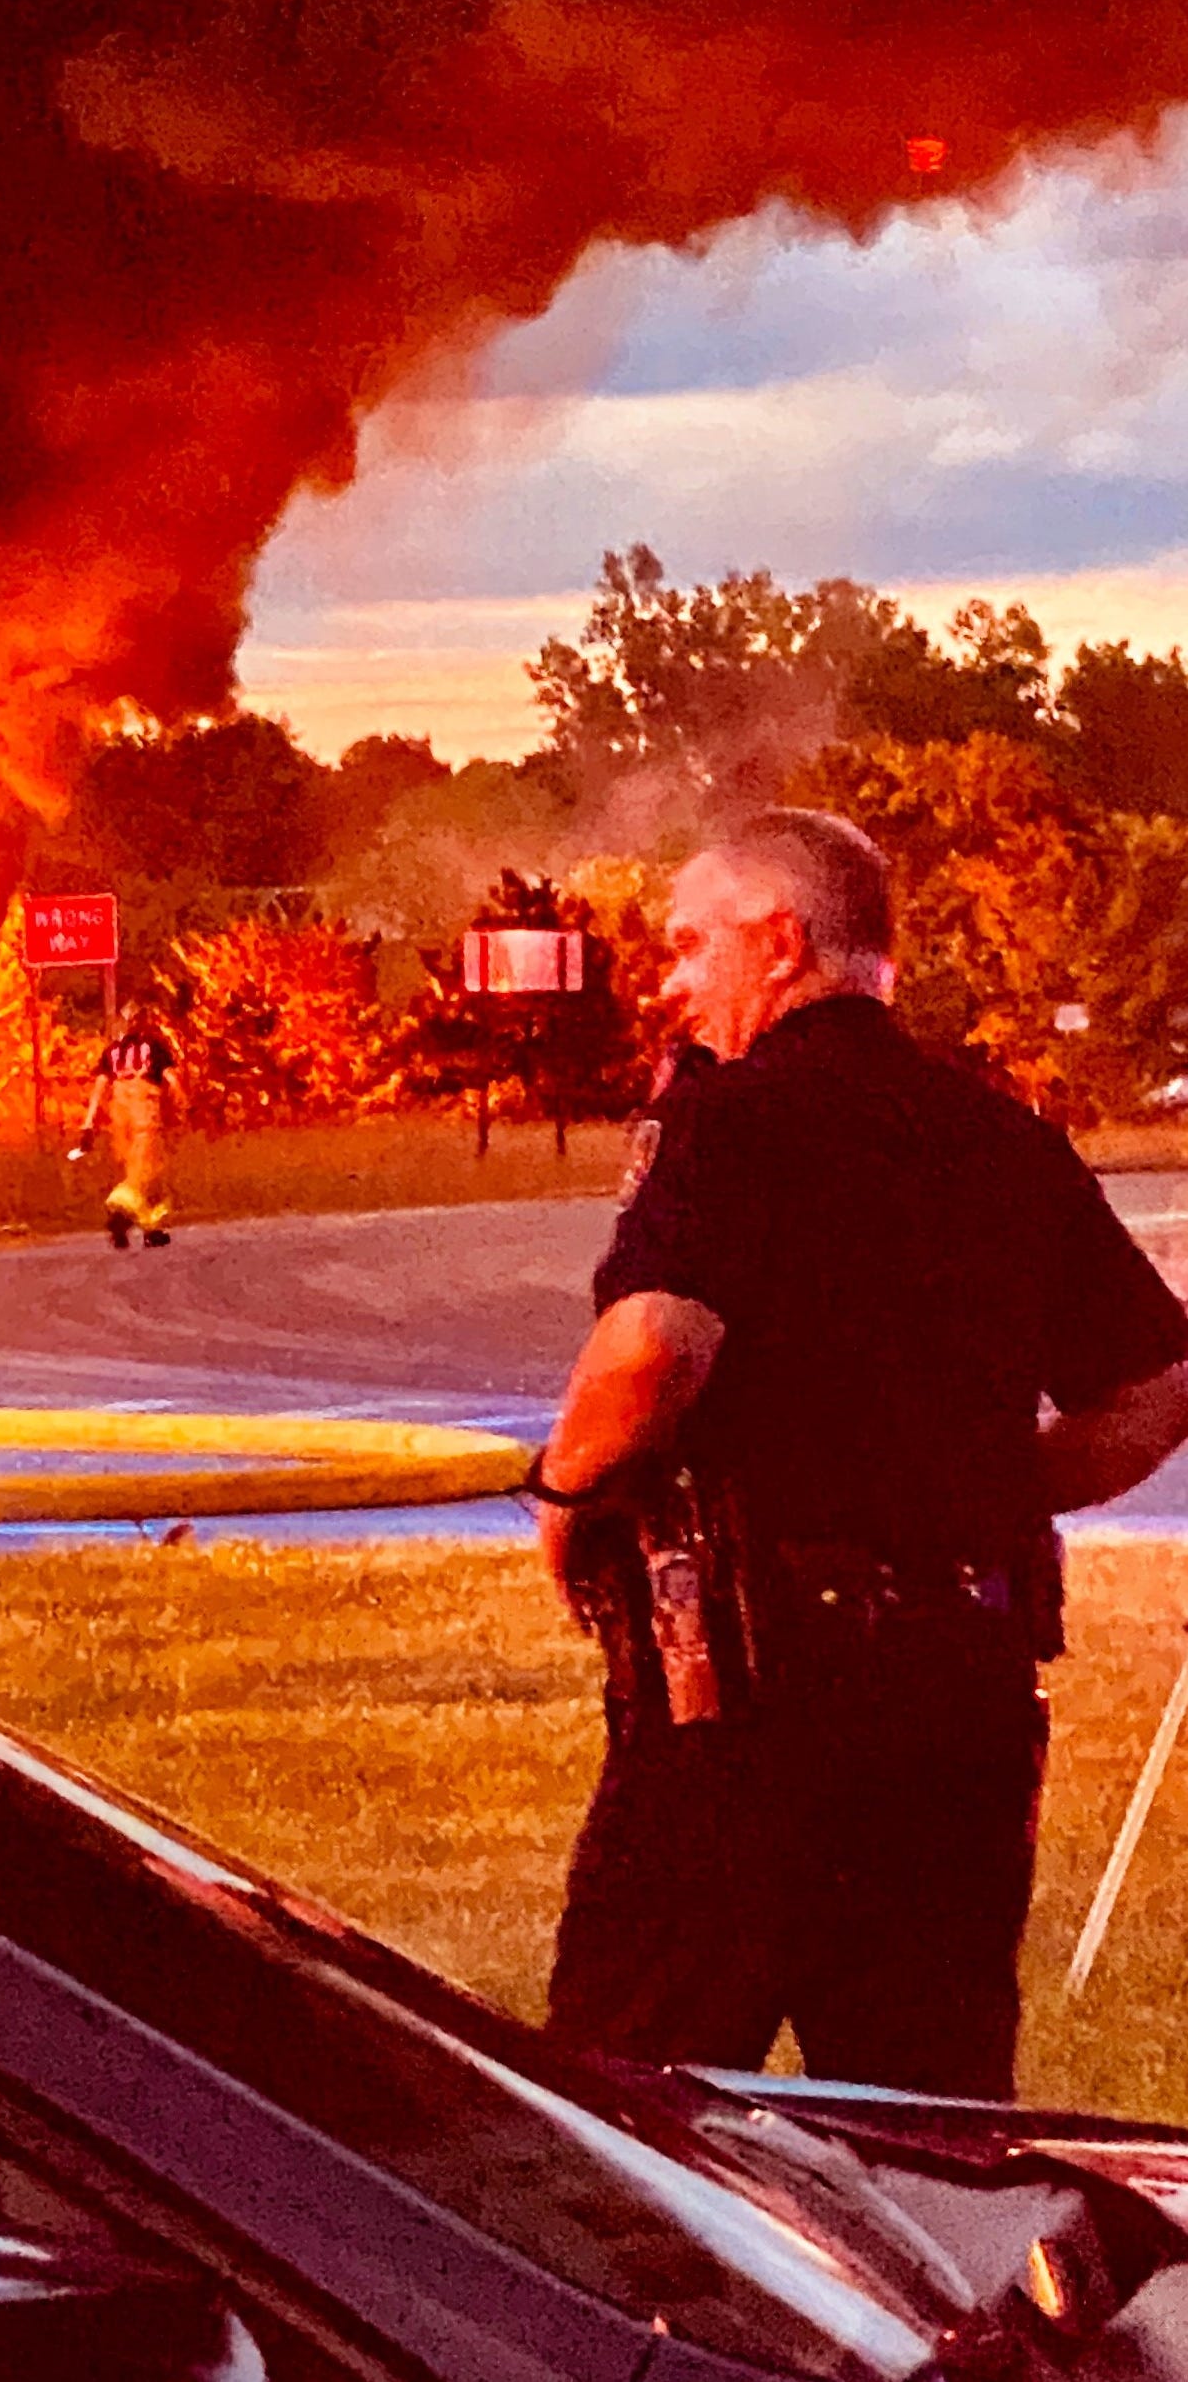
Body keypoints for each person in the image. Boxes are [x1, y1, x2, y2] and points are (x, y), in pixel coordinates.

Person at [533, 809, 1188, 2098]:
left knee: (627, 2132)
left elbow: (651, 1348)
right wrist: (986, 1491)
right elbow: (1157, 1387)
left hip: (748, 1709)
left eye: (687, 946)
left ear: (779, 943)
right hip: (962, 1705)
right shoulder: (1001, 1136)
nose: (670, 983)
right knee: (927, 2126)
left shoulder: (728, 1122)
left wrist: (563, 1493)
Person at [73, 1002, 179, 1250]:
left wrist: (88, 1124)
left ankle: (152, 1229)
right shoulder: (154, 1048)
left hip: (119, 1116)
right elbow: (172, 1080)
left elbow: (99, 1088)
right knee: (144, 1174)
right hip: (144, 1113)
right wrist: (184, 1106)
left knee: (143, 1176)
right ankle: (118, 1213)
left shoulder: (112, 1052)